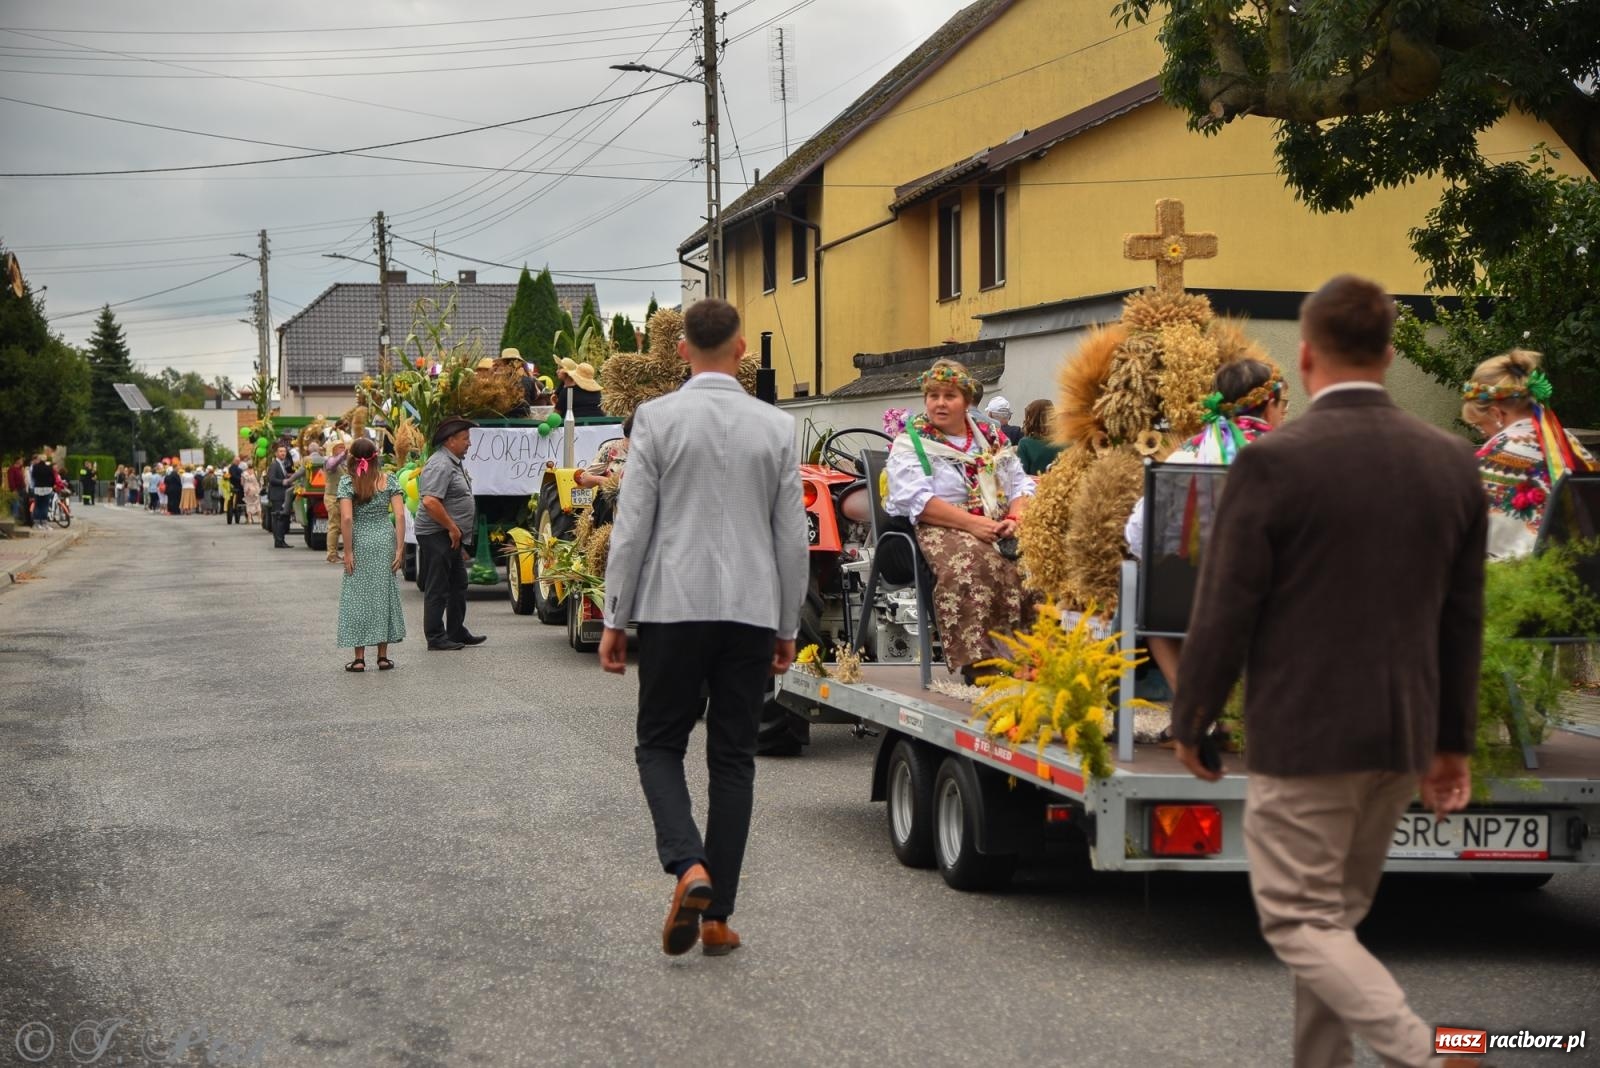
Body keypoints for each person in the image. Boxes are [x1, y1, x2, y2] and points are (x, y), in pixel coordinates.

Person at [1170, 275, 1485, 1068]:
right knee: (1332, 926)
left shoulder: (1274, 463)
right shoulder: (1452, 461)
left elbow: (1224, 608)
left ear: (1305, 356)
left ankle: (1425, 1052)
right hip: (1402, 736)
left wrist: (1193, 720)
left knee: (1298, 922)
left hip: (1305, 736)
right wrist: (1452, 745)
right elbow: (1462, 620)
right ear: (1389, 354)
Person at [600, 298, 807, 958]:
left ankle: (688, 864)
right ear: (741, 350)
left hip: (673, 605)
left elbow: (631, 527)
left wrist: (614, 615)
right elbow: (791, 538)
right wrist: (786, 624)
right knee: (733, 760)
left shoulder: (656, 419)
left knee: (659, 745)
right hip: (750, 610)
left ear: (681, 350)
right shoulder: (777, 428)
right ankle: (716, 918)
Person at [1124, 358, 1289, 691]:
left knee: (1156, 603)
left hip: (1187, 603)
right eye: (1284, 404)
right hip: (1274, 602)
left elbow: (1137, 533)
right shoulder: (1293, 455)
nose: (1284, 412)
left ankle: (1191, 701)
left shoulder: (1185, 454)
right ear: (1269, 403)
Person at [885, 360, 1037, 679]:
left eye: (949, 396)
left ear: (967, 401)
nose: (940, 403)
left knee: (1038, 561)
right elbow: (917, 501)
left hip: (996, 520)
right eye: (934, 395)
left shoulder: (990, 438)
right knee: (975, 561)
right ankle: (983, 663)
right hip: (938, 524)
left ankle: (1033, 655)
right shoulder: (912, 442)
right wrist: (973, 524)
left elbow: (1020, 483)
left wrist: (1016, 517)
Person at [1460, 348, 1595, 560]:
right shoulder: (1569, 443)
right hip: (1585, 571)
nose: (1484, 434)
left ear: (1496, 413)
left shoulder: (1491, 456)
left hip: (1521, 577)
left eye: (1480, 426)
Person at [337, 437, 407, 672]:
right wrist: (399, 548)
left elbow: (347, 518)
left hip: (360, 541)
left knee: (357, 597)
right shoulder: (389, 480)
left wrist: (348, 551)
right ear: (376, 457)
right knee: (382, 594)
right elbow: (400, 516)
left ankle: (359, 659)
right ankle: (382, 657)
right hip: (384, 540)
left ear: (352, 458)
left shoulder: (348, 482)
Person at [415, 416, 485, 650]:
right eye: (465, 438)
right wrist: (452, 528)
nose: (469, 443)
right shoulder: (440, 464)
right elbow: (430, 502)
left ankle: (456, 631)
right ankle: (435, 637)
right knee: (438, 586)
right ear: (450, 440)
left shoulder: (453, 462)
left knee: (458, 583)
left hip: (449, 534)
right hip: (437, 533)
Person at [573, 414, 631, 490]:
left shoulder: (644, 453)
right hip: (608, 495)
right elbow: (587, 479)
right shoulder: (610, 447)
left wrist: (599, 480)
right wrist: (589, 478)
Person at [1016, 399, 1064, 476]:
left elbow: (1020, 475)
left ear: (1032, 418)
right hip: (1062, 482)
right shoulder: (1065, 442)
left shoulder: (1025, 444)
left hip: (1035, 483)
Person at [323, 438, 349, 563]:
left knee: (346, 525)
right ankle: (332, 554)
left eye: (343, 447)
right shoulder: (329, 460)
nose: (342, 449)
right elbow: (331, 465)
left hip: (344, 498)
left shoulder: (344, 463)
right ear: (332, 450)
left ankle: (347, 553)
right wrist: (343, 455)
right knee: (334, 526)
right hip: (333, 497)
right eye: (339, 447)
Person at [267, 445, 294, 546]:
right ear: (276, 453)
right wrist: (283, 481)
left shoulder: (282, 464)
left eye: (284, 451)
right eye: (281, 451)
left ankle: (280, 540)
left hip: (281, 495)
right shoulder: (274, 465)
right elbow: (271, 479)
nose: (283, 453)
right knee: (278, 518)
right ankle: (278, 541)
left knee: (281, 519)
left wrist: (288, 476)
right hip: (277, 495)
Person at [30, 454, 56, 526]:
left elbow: (33, 476)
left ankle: (37, 521)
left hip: (38, 488)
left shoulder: (35, 467)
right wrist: (51, 485)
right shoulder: (49, 468)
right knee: (45, 505)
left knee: (38, 505)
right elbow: (53, 478)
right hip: (47, 488)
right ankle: (44, 521)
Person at [8, 455, 30, 526]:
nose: (22, 462)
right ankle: (14, 520)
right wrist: (13, 490)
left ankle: (21, 520)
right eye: (21, 460)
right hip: (17, 489)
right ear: (17, 461)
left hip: (22, 489)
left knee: (22, 505)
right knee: (16, 504)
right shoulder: (12, 469)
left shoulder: (20, 469)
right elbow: (11, 480)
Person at [226, 456, 245, 525]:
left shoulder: (238, 468)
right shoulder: (232, 468)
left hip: (239, 486)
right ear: (234, 461)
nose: (238, 462)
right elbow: (233, 476)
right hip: (235, 486)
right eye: (237, 461)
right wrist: (240, 478)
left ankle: (240, 506)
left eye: (239, 461)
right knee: (234, 500)